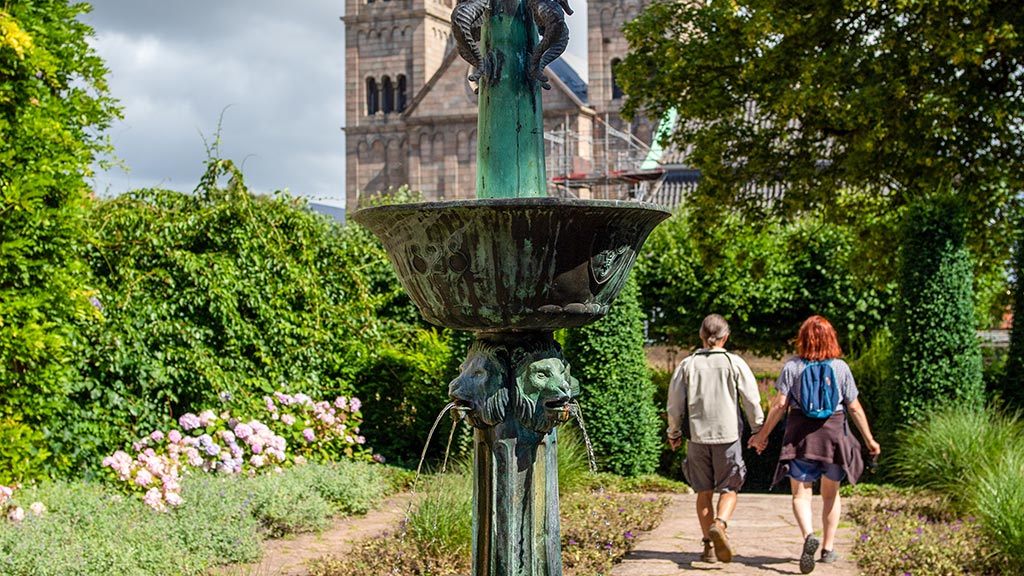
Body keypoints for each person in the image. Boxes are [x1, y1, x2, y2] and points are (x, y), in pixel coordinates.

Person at [748, 315, 881, 574]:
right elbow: (853, 406)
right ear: (831, 339)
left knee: (801, 494)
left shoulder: (793, 366)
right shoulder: (841, 368)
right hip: (834, 436)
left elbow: (779, 406)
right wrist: (869, 439)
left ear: (803, 339)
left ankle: (809, 534)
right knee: (831, 494)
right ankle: (828, 549)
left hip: (800, 436)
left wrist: (762, 435)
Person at [666, 314, 765, 564]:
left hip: (697, 438)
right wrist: (758, 431)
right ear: (726, 336)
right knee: (730, 488)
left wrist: (674, 432)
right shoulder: (735, 363)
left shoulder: (687, 365)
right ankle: (720, 524)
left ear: (701, 335)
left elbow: (674, 404)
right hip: (728, 436)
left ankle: (709, 546)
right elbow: (752, 400)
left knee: (703, 492)